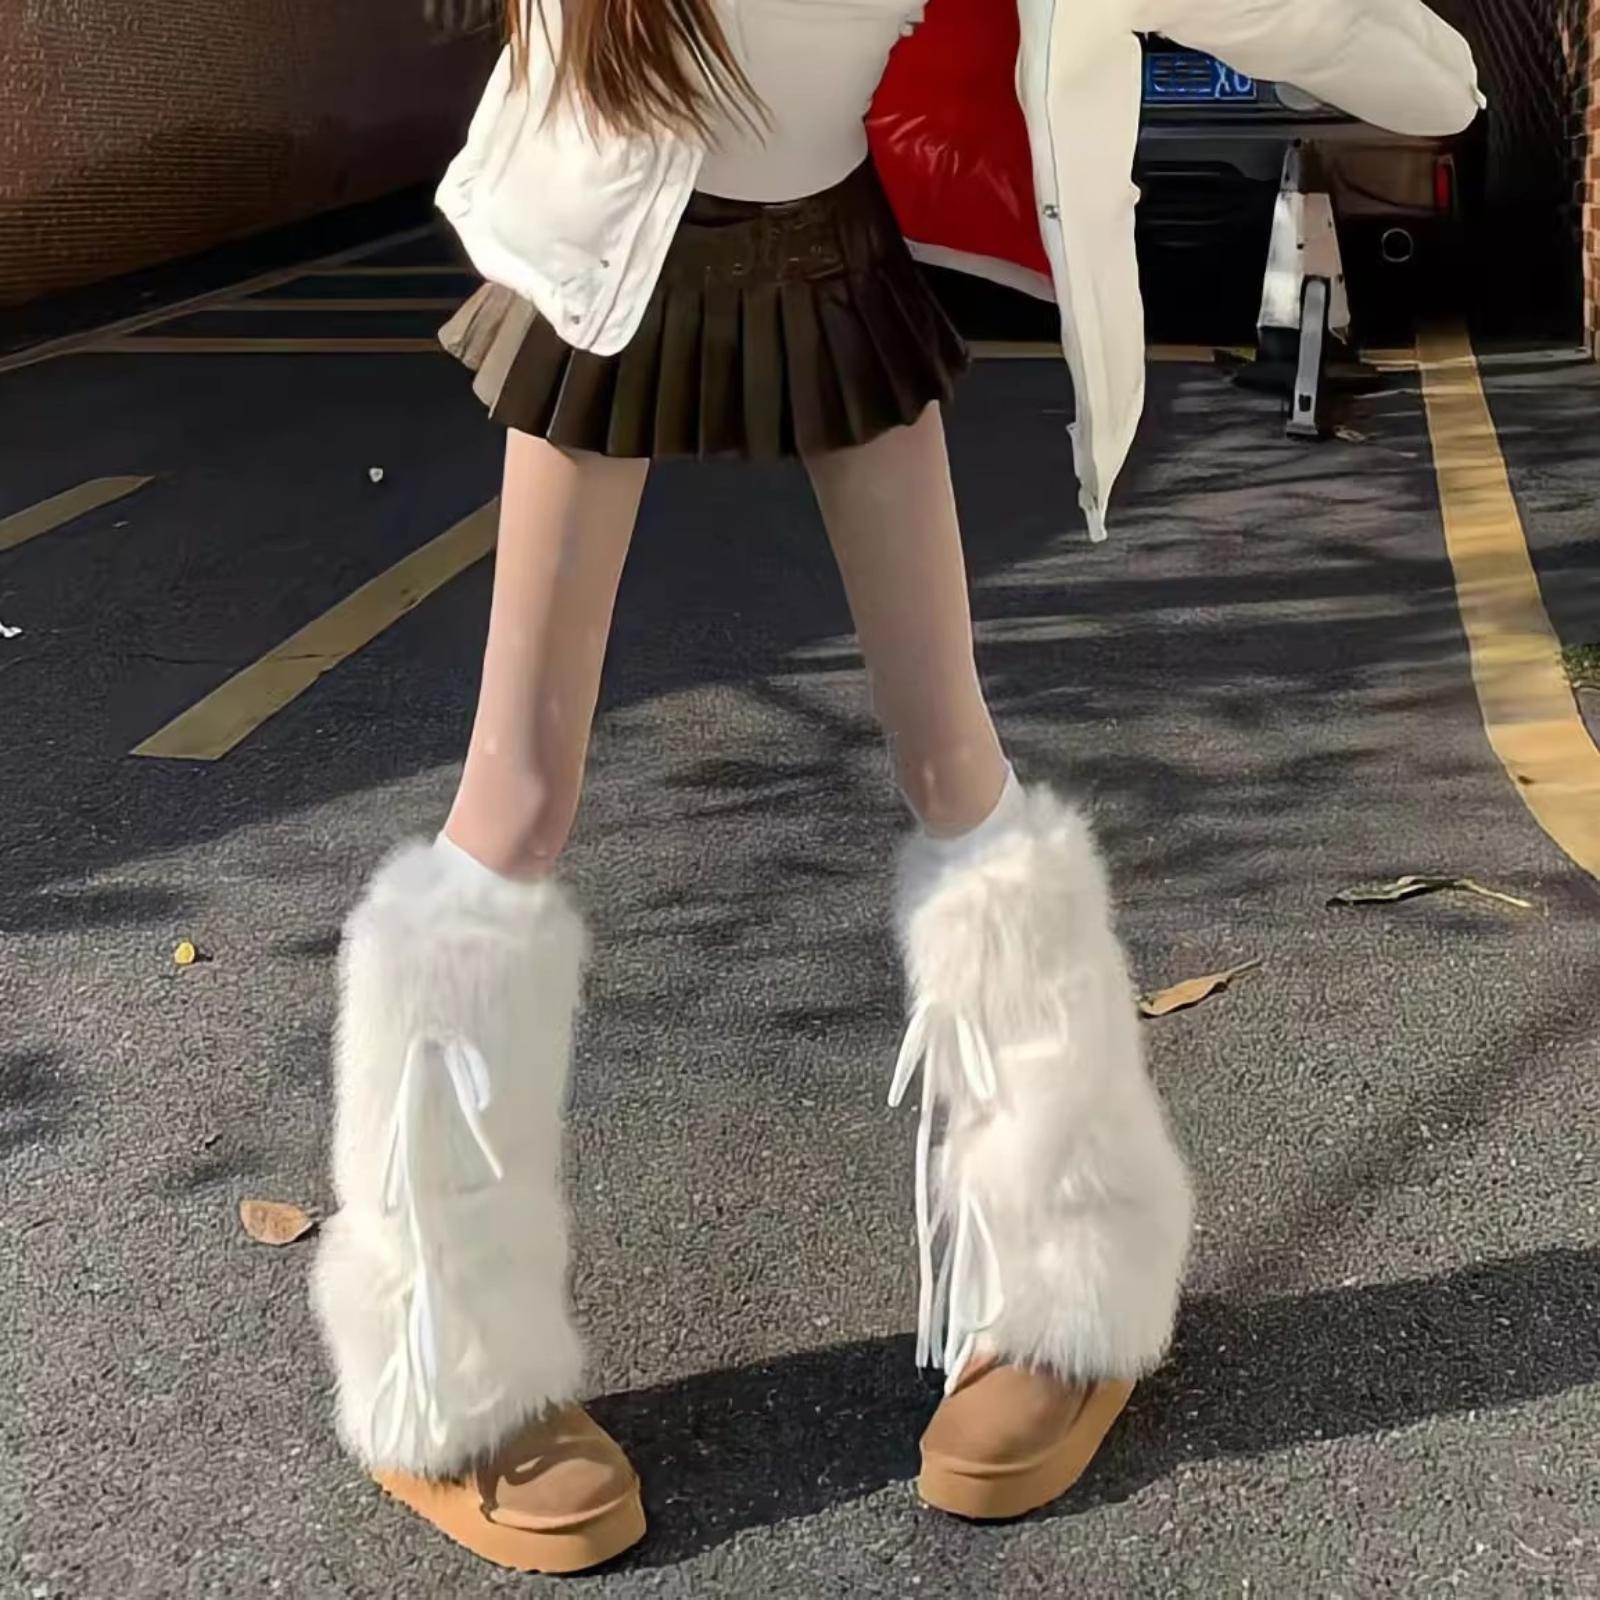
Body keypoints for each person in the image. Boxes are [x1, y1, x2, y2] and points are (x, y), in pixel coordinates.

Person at [310, 0, 1482, 1575]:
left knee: (953, 759)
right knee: (515, 795)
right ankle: (437, 1361)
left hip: (828, 251)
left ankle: (1063, 1289)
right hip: (605, 257)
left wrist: (1432, 76)